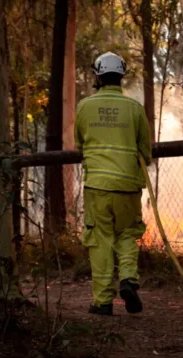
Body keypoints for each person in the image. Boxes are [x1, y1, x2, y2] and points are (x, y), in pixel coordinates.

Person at [75, 52, 152, 315]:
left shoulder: (84, 106)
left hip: (97, 186)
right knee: (128, 234)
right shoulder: (134, 108)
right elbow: (146, 151)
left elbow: (79, 143)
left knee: (100, 241)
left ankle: (103, 302)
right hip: (128, 186)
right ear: (121, 77)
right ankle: (129, 279)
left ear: (97, 75)